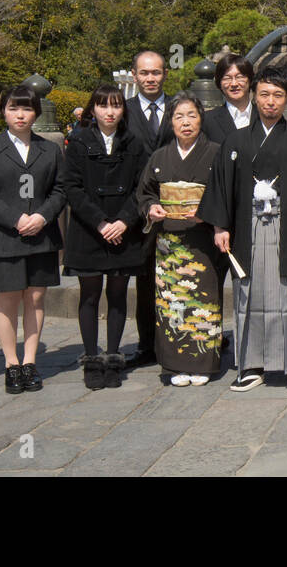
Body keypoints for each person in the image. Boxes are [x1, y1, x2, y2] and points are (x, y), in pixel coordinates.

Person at [197, 69, 287, 391]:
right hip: (246, 228)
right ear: (254, 95)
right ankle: (251, 365)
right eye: (265, 94)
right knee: (247, 295)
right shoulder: (236, 142)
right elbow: (222, 186)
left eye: (278, 95)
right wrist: (220, 226)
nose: (270, 102)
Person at [0, 84, 66, 394]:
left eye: (26, 108)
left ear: (36, 112)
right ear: (3, 112)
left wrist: (42, 216)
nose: (20, 114)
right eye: (13, 108)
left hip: (41, 234)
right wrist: (15, 218)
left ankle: (30, 361)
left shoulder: (50, 149)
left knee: (36, 298)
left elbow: (61, 189)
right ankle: (11, 363)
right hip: (4, 235)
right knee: (8, 299)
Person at [61, 85, 148, 390]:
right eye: (103, 106)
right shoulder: (78, 142)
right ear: (92, 109)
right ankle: (90, 358)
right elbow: (72, 187)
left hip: (123, 229)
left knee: (118, 294)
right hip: (89, 229)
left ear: (123, 110)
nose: (110, 112)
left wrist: (124, 221)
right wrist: (99, 222)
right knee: (89, 293)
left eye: (116, 106)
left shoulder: (134, 144)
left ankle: (113, 356)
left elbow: (142, 188)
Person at [137, 92, 223, 387]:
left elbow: (226, 193)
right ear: (170, 122)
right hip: (169, 241)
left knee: (203, 299)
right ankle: (174, 363)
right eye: (178, 116)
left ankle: (203, 362)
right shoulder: (160, 156)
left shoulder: (215, 153)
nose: (186, 122)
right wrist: (151, 207)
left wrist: (207, 213)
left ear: (201, 119)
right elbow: (146, 191)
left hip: (202, 239)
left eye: (192, 116)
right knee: (170, 302)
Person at [124, 51, 174, 369]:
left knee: (176, 275)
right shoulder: (124, 111)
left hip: (176, 206)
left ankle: (174, 339)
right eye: (144, 73)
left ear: (165, 74)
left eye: (156, 72)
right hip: (136, 205)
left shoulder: (180, 109)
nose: (150, 78)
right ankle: (145, 344)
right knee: (144, 278)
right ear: (134, 75)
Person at [203, 53, 257, 144]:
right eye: (227, 78)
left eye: (239, 77)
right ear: (219, 83)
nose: (234, 84)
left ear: (250, 79)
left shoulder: (265, 116)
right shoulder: (207, 120)